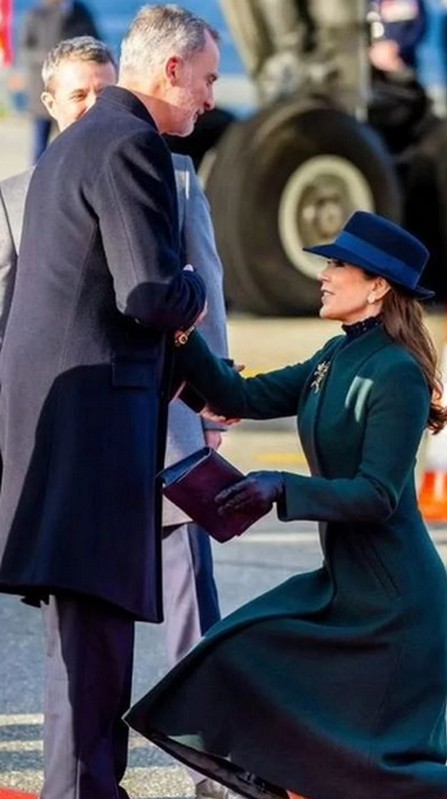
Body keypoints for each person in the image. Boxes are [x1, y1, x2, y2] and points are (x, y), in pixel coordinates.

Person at [125, 211, 447, 799]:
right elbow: (239, 395)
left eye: (337, 264)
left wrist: (282, 486)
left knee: (381, 777)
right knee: (245, 666)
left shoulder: (398, 373)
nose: (323, 275)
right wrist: (180, 331)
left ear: (378, 286)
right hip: (345, 588)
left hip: (392, 603)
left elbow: (377, 496)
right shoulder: (335, 356)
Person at [0, 31, 229, 799]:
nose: (210, 96)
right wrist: (191, 292)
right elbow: (148, 293)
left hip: (65, 438)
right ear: (171, 68)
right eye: (205, 77)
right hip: (95, 440)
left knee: (82, 653)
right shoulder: (131, 145)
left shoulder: (76, 142)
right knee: (93, 654)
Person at [19, 0, 99, 163]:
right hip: (42, 88)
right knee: (40, 144)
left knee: (74, 142)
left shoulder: (80, 12)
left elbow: (96, 41)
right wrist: (51, 59)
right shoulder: (36, 14)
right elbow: (25, 49)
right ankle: (35, 181)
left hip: (75, 90)